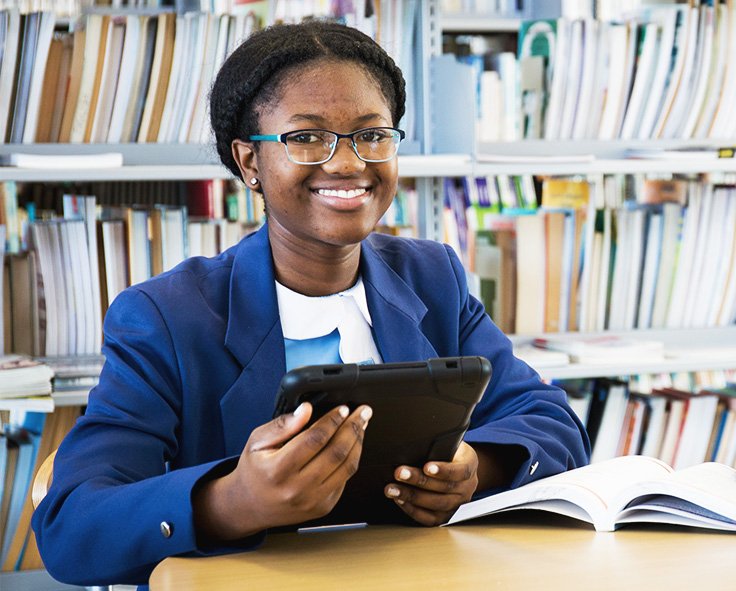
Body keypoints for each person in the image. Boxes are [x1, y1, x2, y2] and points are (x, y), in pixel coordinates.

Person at [32, 20, 590, 587]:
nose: (348, 163)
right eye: (306, 138)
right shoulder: (166, 317)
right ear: (249, 162)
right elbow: (72, 525)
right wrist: (234, 501)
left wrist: (475, 468)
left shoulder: (431, 277)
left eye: (372, 135)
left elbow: (553, 424)